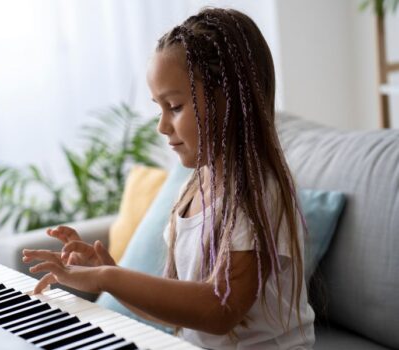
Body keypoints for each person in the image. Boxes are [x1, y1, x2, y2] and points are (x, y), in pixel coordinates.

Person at [22, 7, 315, 349]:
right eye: (159, 108)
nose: (162, 126)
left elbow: (221, 309)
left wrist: (110, 277)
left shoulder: (257, 192)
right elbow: (180, 310)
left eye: (174, 107)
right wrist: (111, 275)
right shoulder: (192, 189)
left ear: (230, 101)